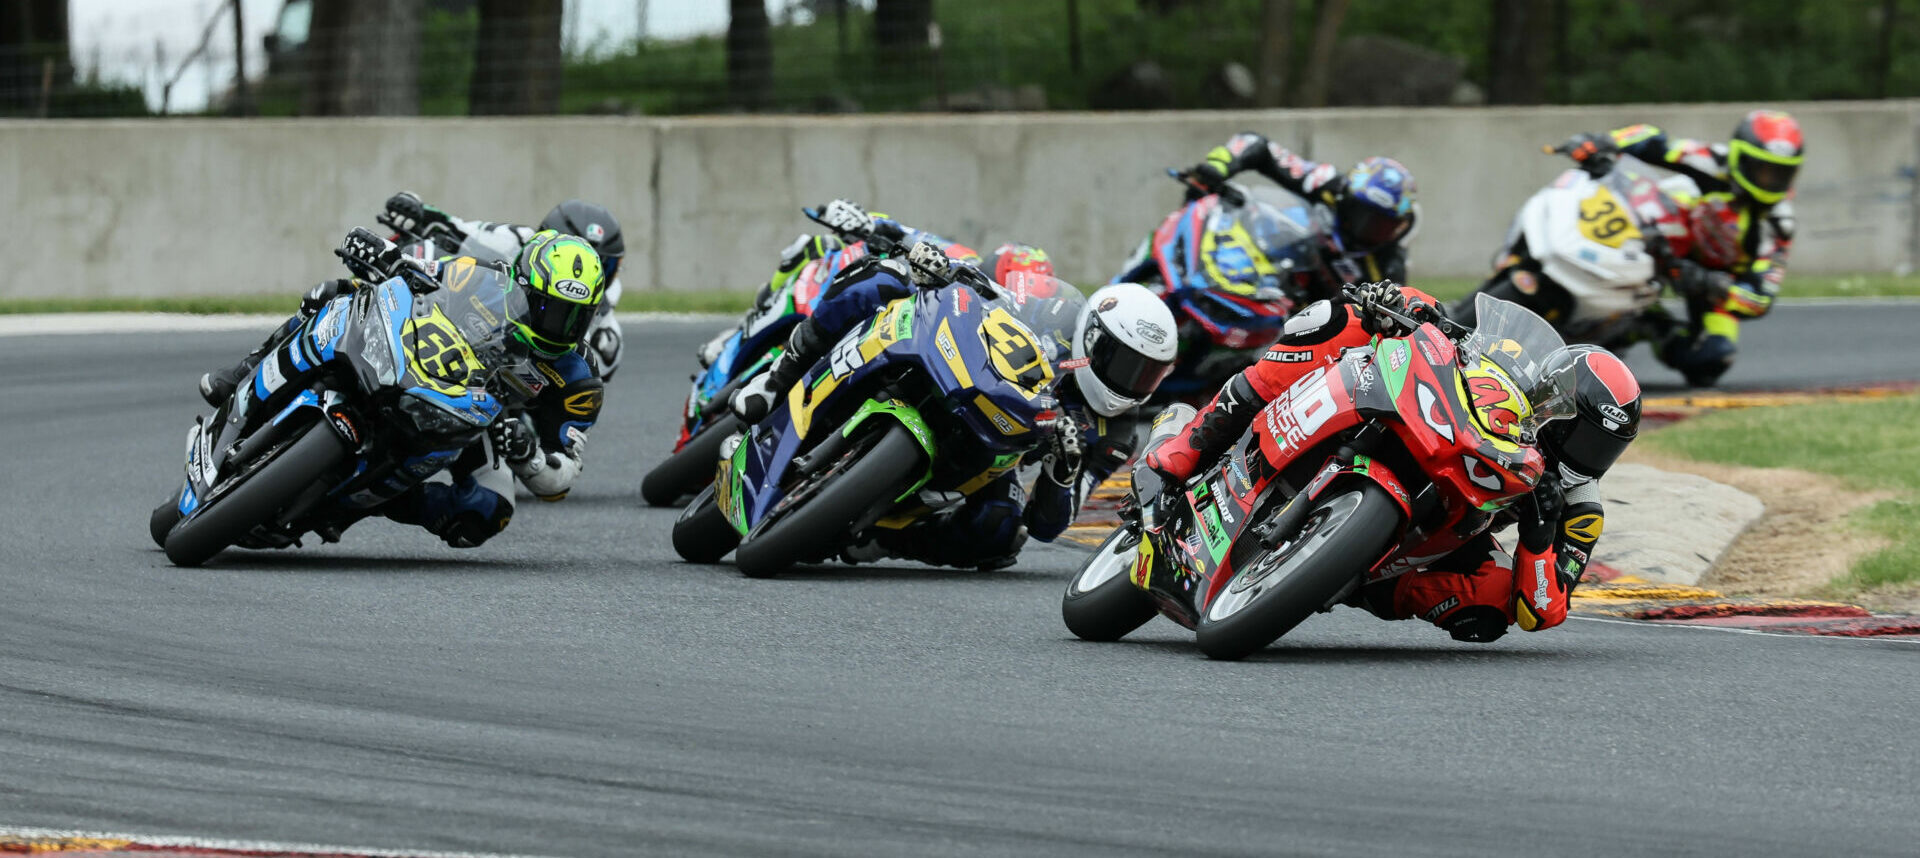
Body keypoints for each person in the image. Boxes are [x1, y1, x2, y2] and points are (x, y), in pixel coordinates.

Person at [1143, 282, 1643, 641]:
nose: (1585, 457)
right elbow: (1461, 337)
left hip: (1441, 535)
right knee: (1336, 323)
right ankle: (1188, 447)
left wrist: (1537, 540)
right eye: (1581, 436)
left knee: (1494, 605)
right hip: (1443, 433)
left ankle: (1353, 570)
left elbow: (1544, 611)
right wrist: (1399, 302)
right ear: (1554, 405)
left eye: (1604, 450)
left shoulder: (1580, 511)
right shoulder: (1518, 370)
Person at [728, 202, 1179, 570]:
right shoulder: (1054, 307)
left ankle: (888, 540)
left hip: (991, 457)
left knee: (1003, 534)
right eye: (1126, 364)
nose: (1133, 383)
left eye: (1147, 373)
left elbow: (1048, 525)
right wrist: (934, 262)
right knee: (883, 278)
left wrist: (1062, 470)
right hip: (962, 373)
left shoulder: (1116, 433)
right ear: (1095, 339)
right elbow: (987, 284)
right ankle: (778, 378)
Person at [197, 228, 610, 549]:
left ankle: (371, 502)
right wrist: (383, 256)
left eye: (576, 316)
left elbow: (563, 477)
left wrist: (529, 455)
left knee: (487, 513)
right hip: (417, 362)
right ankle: (244, 372)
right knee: (333, 294)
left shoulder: (579, 379)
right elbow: (422, 273)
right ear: (522, 285)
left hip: (480, 419)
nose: (562, 325)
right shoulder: (481, 278)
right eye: (551, 309)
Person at [1556, 109, 1803, 386]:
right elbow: (1653, 140)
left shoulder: (1779, 224)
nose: (1769, 180)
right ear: (1740, 157)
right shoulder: (1713, 161)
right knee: (1665, 196)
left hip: (1710, 281)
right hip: (1663, 236)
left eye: (1779, 173)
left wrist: (1712, 284)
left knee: (1710, 359)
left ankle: (1648, 324)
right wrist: (1604, 141)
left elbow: (1760, 298)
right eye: (1762, 168)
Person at [694, 199, 984, 369]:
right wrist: (862, 223)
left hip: (895, 317)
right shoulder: (962, 257)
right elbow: (899, 230)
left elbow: (961, 262)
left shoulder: (984, 299)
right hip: (858, 280)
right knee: (810, 246)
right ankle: (741, 329)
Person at [382, 192, 629, 377]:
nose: (577, 269)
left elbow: (583, 384)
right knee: (425, 248)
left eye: (603, 264)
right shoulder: (517, 239)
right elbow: (457, 229)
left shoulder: (606, 336)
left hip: (521, 387)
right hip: (471, 338)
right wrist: (419, 213)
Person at [1186, 132, 1419, 285]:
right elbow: (1257, 145)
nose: (1365, 228)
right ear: (1345, 197)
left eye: (1380, 225)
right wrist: (1220, 166)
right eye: (1360, 215)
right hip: (1255, 266)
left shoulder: (1389, 269)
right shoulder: (1326, 182)